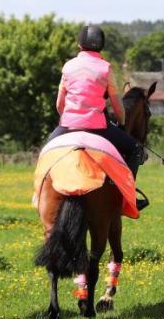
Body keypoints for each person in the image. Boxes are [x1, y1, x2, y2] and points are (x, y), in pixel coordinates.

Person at [48, 25, 148, 210]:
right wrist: (122, 122)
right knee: (135, 149)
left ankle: (40, 194)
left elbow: (59, 105)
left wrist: (68, 119)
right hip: (98, 126)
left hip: (68, 125)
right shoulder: (105, 68)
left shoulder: (68, 67)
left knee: (46, 151)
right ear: (101, 47)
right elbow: (117, 105)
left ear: (79, 44)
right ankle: (128, 198)